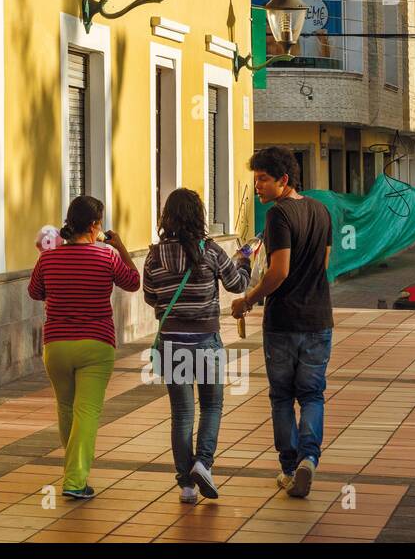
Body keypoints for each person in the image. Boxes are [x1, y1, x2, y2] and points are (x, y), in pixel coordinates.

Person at [231, 147, 333, 499]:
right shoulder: (321, 210)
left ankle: (290, 468)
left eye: (263, 179)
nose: (257, 186)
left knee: (281, 397)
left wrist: (248, 299)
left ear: (283, 180)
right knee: (312, 394)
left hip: (284, 322)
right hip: (319, 318)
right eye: (255, 178)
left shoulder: (278, 215)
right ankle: (309, 460)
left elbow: (279, 271)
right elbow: (324, 262)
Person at [28, 195, 140, 501]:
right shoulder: (107, 256)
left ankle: (74, 471)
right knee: (87, 411)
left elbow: (35, 292)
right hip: (96, 344)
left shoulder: (48, 259)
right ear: (94, 225)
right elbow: (133, 282)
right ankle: (75, 480)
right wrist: (120, 247)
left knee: (67, 408)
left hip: (57, 345)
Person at [143, 189, 251, 505]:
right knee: (212, 406)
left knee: (181, 414)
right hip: (205, 341)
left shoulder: (153, 255)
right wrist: (245, 261)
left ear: (168, 218)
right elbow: (238, 285)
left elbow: (151, 296)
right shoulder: (212, 251)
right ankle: (203, 463)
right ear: (198, 216)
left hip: (172, 342)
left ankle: (186, 486)